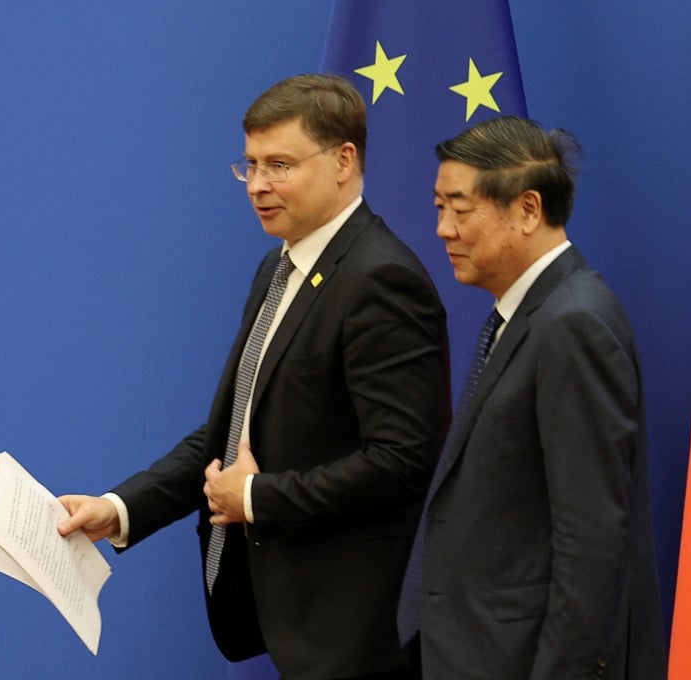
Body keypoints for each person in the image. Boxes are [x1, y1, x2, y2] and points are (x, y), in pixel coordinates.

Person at [57, 74, 449, 680]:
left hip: (356, 637)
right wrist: (120, 508)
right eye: (251, 165)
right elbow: (234, 429)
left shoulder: (381, 281)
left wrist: (258, 499)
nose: (259, 186)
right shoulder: (279, 266)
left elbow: (403, 461)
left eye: (281, 165)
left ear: (344, 160)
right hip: (292, 624)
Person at [398, 116, 667, 678]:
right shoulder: (526, 315)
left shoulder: (573, 324)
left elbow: (590, 538)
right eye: (438, 206)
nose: (443, 228)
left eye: (461, 209)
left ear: (527, 210)